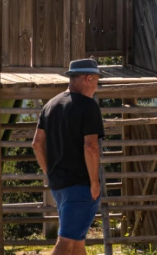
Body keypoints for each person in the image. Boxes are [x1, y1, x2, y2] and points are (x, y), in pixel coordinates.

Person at [33, 58, 104, 255]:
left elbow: (37, 144)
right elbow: (91, 146)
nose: (96, 86)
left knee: (77, 241)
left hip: (59, 186)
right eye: (97, 80)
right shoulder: (88, 106)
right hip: (80, 186)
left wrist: (50, 173)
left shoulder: (50, 105)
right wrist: (94, 182)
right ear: (88, 78)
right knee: (65, 243)